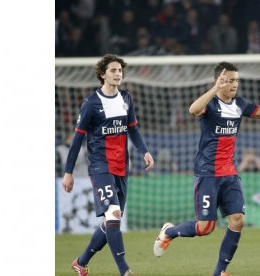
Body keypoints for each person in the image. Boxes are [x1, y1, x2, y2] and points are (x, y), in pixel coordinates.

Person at [153, 62, 260, 276]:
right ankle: (169, 232)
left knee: (238, 220)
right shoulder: (209, 104)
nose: (234, 84)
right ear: (219, 81)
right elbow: (193, 110)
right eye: (229, 80)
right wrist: (214, 89)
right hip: (208, 174)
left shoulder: (240, 104)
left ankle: (219, 272)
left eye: (236, 80)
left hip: (230, 173)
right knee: (205, 228)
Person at [62, 54, 155, 276]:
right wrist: (68, 172)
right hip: (100, 166)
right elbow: (77, 140)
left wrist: (145, 151)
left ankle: (81, 263)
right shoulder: (91, 103)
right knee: (113, 214)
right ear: (103, 74)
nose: (118, 74)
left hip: (122, 166)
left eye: (120, 70)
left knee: (111, 221)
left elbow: (132, 128)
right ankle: (125, 271)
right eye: (113, 70)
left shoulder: (126, 98)